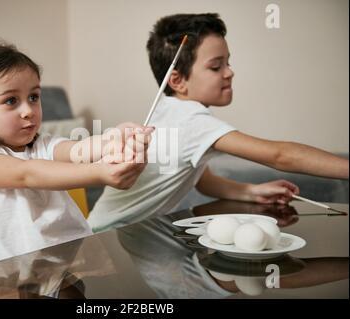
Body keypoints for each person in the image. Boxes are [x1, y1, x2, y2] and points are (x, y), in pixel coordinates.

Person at [87, 13, 349, 232]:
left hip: (119, 233)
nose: (230, 72)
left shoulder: (168, 110)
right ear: (177, 80)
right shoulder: (191, 120)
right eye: (216, 67)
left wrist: (252, 192)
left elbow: (202, 178)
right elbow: (280, 155)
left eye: (228, 62)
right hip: (109, 240)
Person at [0, 41, 153, 264]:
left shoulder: (44, 144)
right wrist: (99, 173)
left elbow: (79, 149)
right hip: (14, 272)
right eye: (11, 101)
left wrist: (114, 139)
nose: (28, 111)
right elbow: (26, 174)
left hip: (69, 259)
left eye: (34, 97)